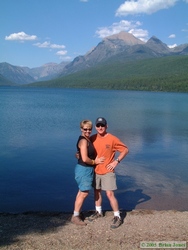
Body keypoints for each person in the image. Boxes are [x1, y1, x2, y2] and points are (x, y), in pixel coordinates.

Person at [88, 117, 129, 229]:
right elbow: (84, 148)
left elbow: (125, 150)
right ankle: (98, 212)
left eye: (102, 125)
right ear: (95, 127)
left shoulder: (112, 139)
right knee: (97, 192)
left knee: (110, 194)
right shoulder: (92, 138)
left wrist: (116, 161)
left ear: (107, 126)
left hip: (108, 171)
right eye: (98, 126)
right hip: (96, 170)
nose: (100, 127)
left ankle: (117, 216)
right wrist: (80, 156)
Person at [71, 119, 104, 226]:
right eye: (85, 129)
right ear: (81, 129)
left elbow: (82, 154)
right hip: (84, 169)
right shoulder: (84, 141)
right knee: (84, 193)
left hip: (87, 169)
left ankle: (77, 213)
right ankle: (75, 216)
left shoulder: (87, 139)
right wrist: (95, 161)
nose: (88, 131)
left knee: (81, 192)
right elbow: (85, 159)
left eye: (89, 129)